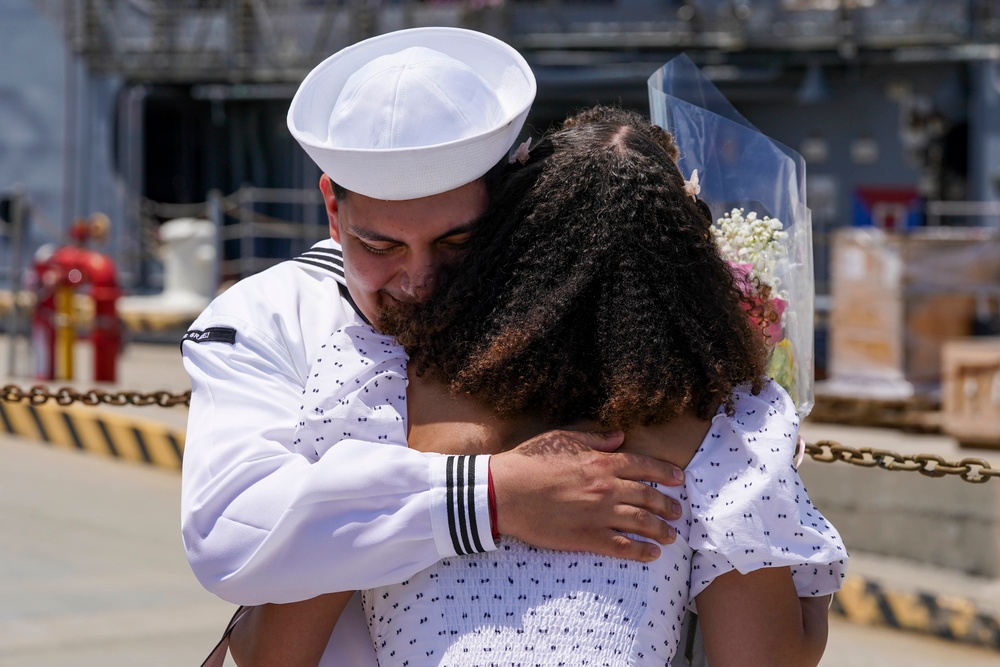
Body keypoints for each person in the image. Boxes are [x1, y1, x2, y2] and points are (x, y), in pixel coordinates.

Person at [231, 106, 848, 667]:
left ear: (503, 247)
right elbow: (763, 660)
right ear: (689, 270)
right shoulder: (721, 433)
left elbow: (273, 654)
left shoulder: (382, 388)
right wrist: (808, 585)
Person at [182, 27, 687, 664]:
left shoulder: (576, 302)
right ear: (333, 212)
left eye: (454, 243)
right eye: (381, 247)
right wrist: (495, 496)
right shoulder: (270, 316)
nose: (419, 282)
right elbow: (229, 532)